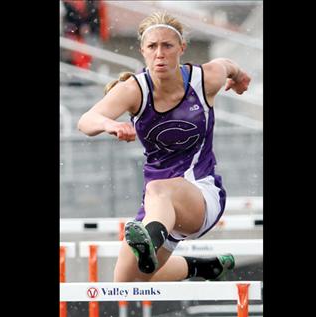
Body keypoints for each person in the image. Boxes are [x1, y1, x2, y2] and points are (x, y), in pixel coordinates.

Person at [77, 11, 251, 282]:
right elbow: (86, 121)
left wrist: (239, 76)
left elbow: (226, 64)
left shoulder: (203, 80)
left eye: (167, 46)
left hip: (201, 193)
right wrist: (109, 125)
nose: (160, 54)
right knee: (125, 282)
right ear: (143, 51)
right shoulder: (134, 89)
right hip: (159, 207)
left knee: (157, 188)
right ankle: (202, 267)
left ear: (181, 48)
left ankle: (150, 238)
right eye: (152, 47)